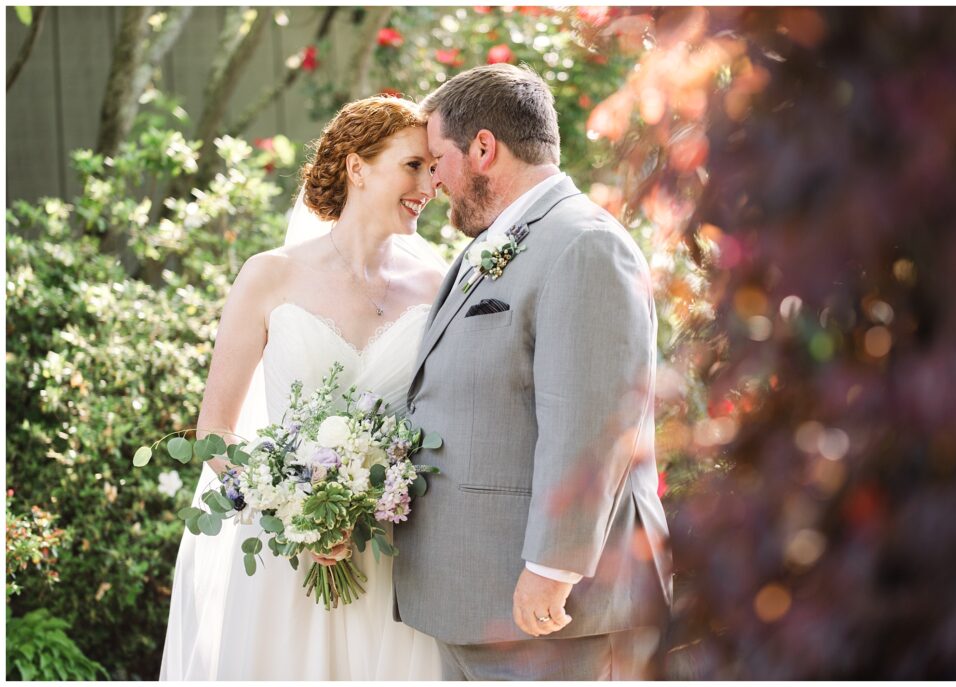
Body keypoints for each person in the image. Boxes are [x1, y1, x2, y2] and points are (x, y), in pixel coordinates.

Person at [393, 63, 674, 681]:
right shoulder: (488, 244)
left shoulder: (584, 244)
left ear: (484, 148)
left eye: (438, 159)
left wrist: (553, 569)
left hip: (551, 610)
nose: (434, 179)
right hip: (474, 599)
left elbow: (595, 421)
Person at [160, 96, 444, 680]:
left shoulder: (438, 285)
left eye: (434, 168)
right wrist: (290, 512)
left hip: (396, 562)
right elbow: (214, 432)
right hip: (286, 562)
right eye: (413, 165)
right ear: (357, 167)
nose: (430, 185)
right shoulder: (271, 275)